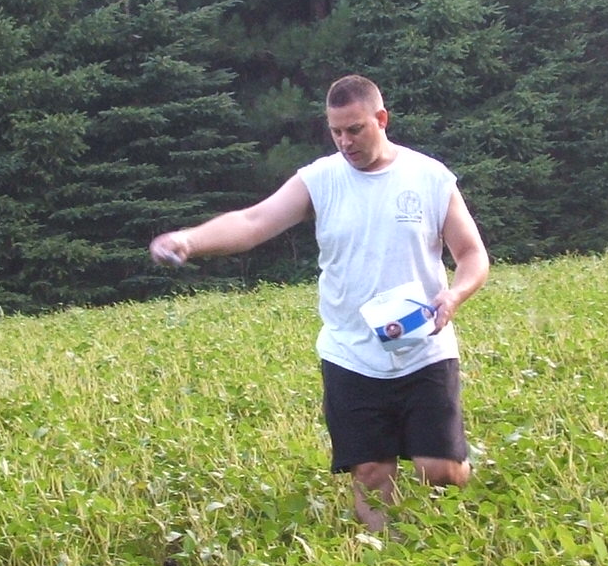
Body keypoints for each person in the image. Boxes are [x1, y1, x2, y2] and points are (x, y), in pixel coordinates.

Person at [149, 75, 490, 531]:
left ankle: (452, 530)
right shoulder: (320, 179)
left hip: (424, 347)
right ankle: (384, 565)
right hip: (351, 353)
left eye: (355, 129)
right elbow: (253, 222)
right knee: (371, 473)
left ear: (381, 119)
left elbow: (472, 255)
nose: (345, 142)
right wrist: (189, 239)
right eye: (336, 132)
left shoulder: (429, 177)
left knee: (440, 473)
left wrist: (456, 293)